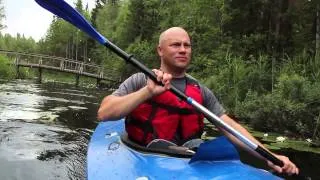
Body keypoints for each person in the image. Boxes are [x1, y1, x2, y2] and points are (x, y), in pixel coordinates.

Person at [97, 27, 299, 175]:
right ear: (160, 50)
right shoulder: (141, 80)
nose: (183, 49)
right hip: (145, 156)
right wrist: (147, 92)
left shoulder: (200, 91)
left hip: (189, 161)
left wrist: (269, 156)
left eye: (187, 45)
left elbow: (229, 127)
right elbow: (104, 113)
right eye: (176, 45)